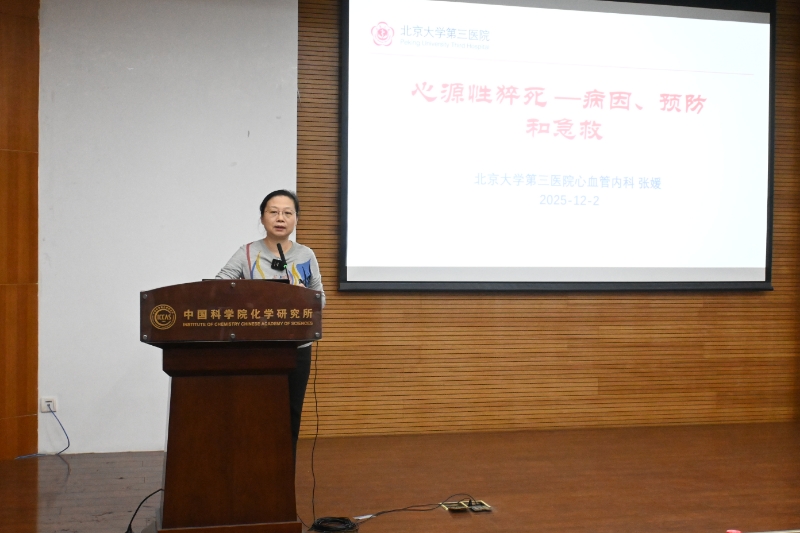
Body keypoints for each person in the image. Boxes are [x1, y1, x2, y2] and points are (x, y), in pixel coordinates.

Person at [215, 189, 325, 460]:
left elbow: (320, 299)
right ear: (262, 217)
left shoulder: (306, 255)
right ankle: (255, 468)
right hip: (257, 347)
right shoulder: (247, 253)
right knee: (256, 413)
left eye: (288, 213)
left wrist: (303, 296)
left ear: (296, 219)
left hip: (297, 348)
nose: (280, 218)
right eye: (273, 212)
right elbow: (219, 288)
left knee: (291, 413)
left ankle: (285, 471)